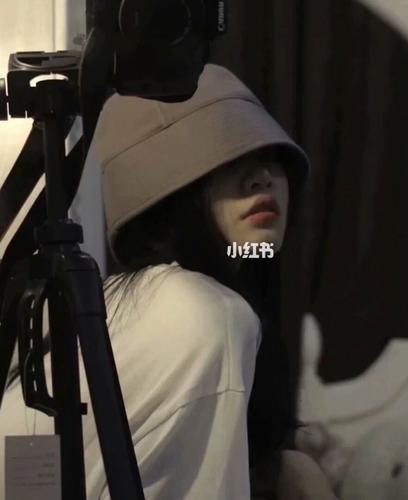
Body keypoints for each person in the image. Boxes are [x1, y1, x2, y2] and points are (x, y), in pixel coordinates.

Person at [0, 64, 335, 499]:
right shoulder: (203, 310)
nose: (263, 178)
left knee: (295, 473)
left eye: (272, 158)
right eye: (229, 158)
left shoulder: (129, 309)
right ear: (172, 196)